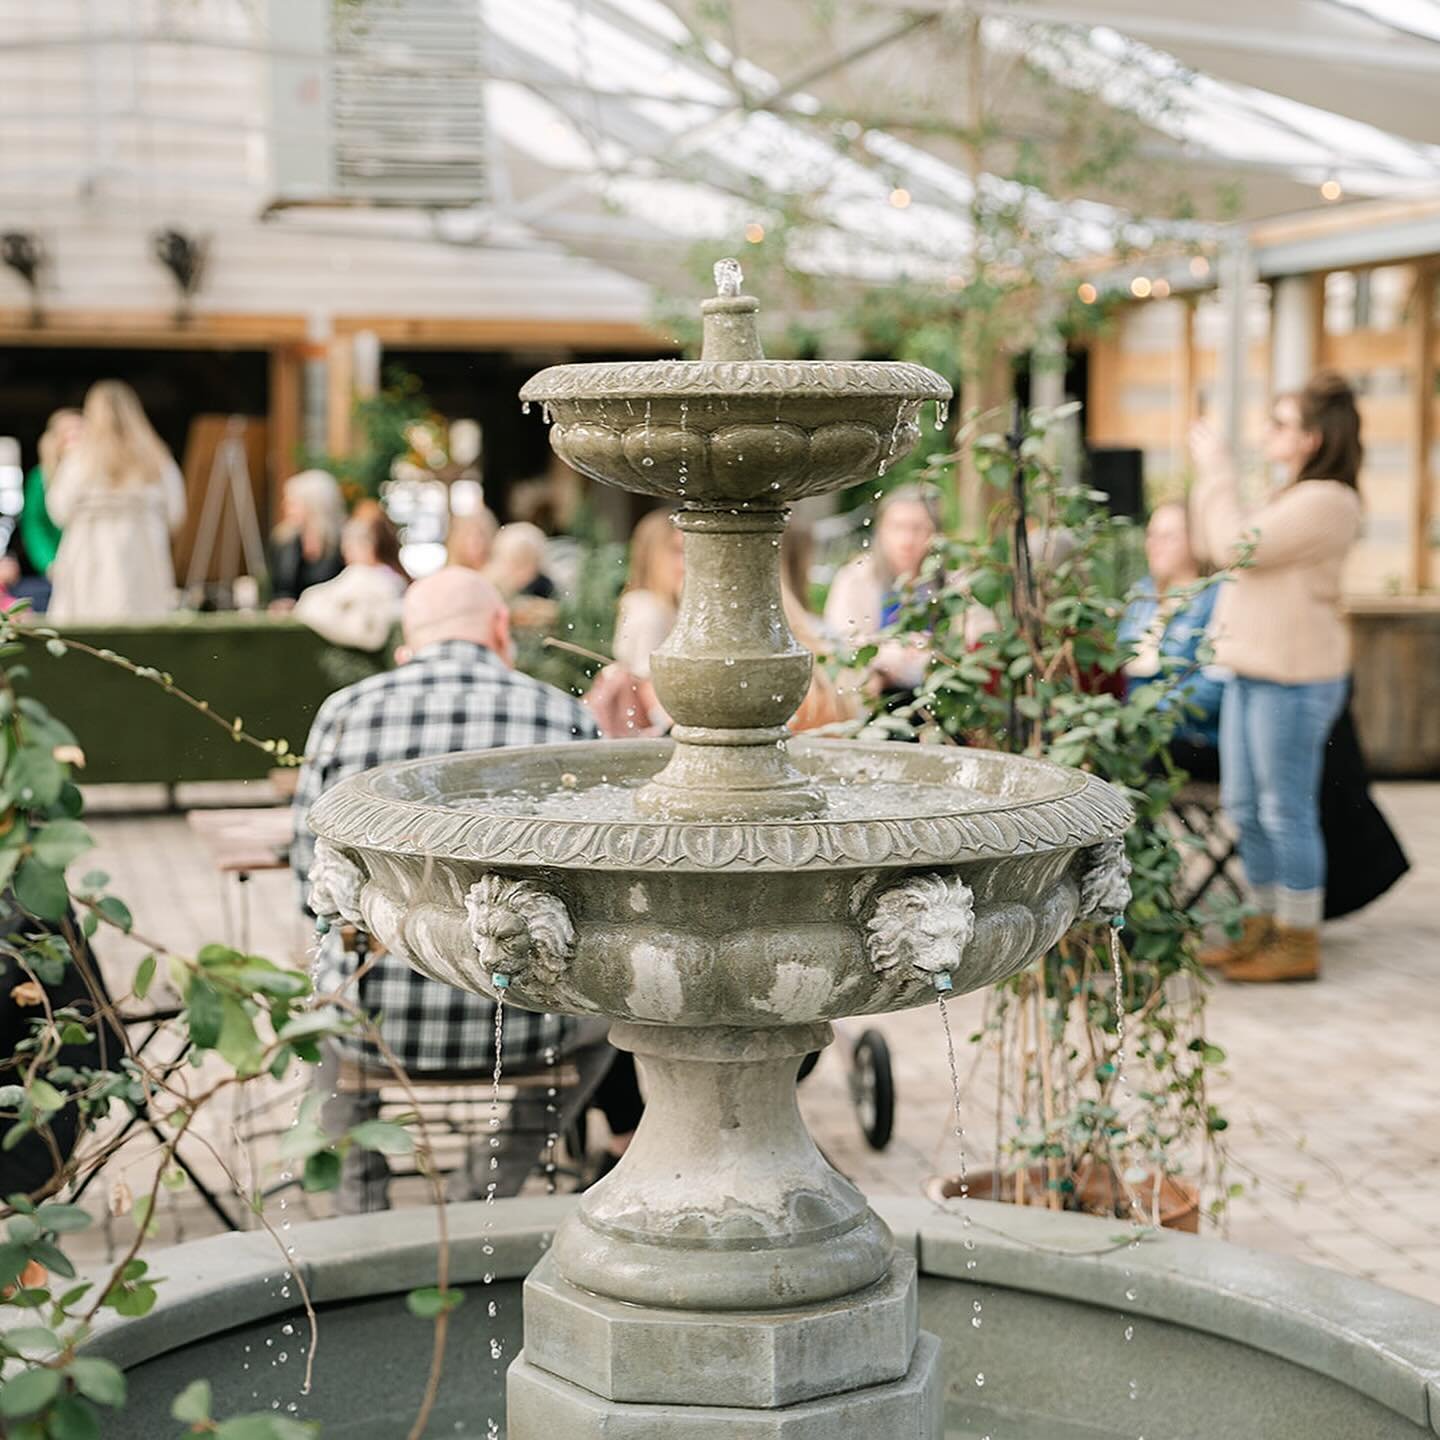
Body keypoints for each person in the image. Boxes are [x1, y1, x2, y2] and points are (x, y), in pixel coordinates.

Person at [292, 567, 638, 1212]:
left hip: (377, 1026)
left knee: (320, 1015)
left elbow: (307, 876)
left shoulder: (346, 714)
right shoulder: (561, 715)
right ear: (500, 630)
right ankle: (484, 1191)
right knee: (602, 1028)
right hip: (528, 1023)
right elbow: (598, 886)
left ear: (408, 641)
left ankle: (357, 1207)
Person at [1189, 372, 1365, 983]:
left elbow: (1235, 545)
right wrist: (1215, 477)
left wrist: (1217, 470)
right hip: (1251, 671)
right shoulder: (1288, 495)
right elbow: (1215, 543)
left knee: (1284, 808)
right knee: (1245, 807)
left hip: (1294, 678)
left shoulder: (1328, 501)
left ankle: (1298, 937)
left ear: (1313, 439)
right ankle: (1261, 924)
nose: (1268, 433)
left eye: (1281, 424)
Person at [45, 381, 186, 623]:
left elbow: (59, 510)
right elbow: (176, 512)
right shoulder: (158, 459)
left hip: (90, 558)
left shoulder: (79, 460)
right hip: (143, 557)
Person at [1118, 503, 1224, 780]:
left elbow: (1215, 685)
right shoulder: (1143, 595)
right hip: (1138, 727)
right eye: (1151, 535)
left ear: (1197, 541)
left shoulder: (1216, 596)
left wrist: (1148, 712)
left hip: (1195, 736)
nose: (1155, 545)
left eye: (1168, 537)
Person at [823, 486, 939, 694]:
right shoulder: (855, 578)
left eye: (919, 528)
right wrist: (893, 653)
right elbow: (839, 641)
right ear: (881, 530)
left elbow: (976, 634)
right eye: (898, 527)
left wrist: (933, 651)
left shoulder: (951, 580)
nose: (907, 540)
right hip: (877, 687)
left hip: (937, 685)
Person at [589, 508, 686, 737]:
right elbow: (647, 680)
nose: (686, 562)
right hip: (644, 726)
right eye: (677, 551)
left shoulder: (661, 606)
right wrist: (676, 727)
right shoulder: (648, 610)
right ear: (653, 557)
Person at [293, 508, 409, 652]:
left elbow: (309, 603)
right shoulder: (398, 580)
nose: (345, 554)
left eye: (349, 547)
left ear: (369, 546)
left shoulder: (361, 576)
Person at [0, 408, 81, 612]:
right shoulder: (40, 479)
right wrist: (50, 564)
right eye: (68, 432)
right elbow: (34, 528)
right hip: (57, 568)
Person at [268, 469, 345, 608]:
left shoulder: (343, 544)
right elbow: (277, 589)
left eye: (292, 503)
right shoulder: (283, 541)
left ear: (314, 506)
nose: (284, 506)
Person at [487, 520, 556, 600]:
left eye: (525, 560)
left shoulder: (545, 585)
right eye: (515, 560)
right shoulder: (494, 583)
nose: (520, 569)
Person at [446, 506, 499, 571]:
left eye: (481, 534)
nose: (476, 541)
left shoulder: (500, 574)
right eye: (467, 534)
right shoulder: (452, 575)